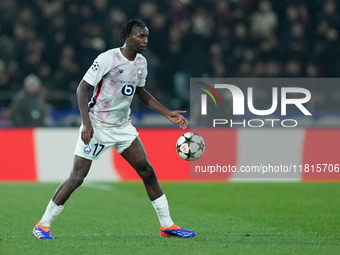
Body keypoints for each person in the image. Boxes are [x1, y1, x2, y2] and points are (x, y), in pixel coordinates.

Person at [33, 19, 196, 239]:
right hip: (98, 125)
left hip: (122, 127)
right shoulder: (108, 59)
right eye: (141, 36)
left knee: (147, 170)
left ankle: (167, 226)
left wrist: (167, 113)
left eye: (147, 36)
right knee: (77, 177)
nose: (145, 40)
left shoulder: (141, 63)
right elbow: (82, 89)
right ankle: (42, 225)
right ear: (128, 37)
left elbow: (140, 92)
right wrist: (86, 124)